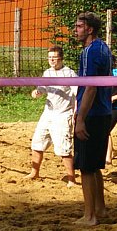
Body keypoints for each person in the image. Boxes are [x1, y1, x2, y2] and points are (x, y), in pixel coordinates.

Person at [73, 12, 113, 226]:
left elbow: (90, 87)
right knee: (95, 165)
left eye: (79, 26)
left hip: (93, 114)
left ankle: (90, 216)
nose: (75, 30)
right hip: (104, 112)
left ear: (90, 29)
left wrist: (80, 118)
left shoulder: (90, 51)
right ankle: (100, 209)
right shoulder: (104, 47)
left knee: (86, 167)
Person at [27, 46, 78, 186]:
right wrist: (37, 92)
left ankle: (71, 178)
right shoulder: (47, 72)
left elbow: (77, 93)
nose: (51, 60)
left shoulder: (69, 73)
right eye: (49, 57)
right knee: (37, 142)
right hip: (48, 113)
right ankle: (34, 172)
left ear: (60, 58)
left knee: (63, 148)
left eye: (54, 58)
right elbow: (43, 88)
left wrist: (76, 111)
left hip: (63, 114)